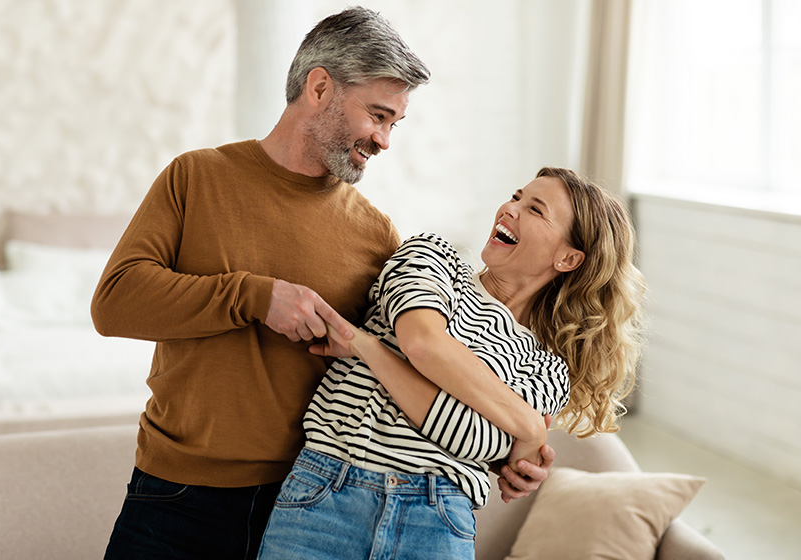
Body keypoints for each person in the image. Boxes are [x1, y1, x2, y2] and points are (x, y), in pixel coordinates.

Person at [92, 7, 548, 560]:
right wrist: (256, 296)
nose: (384, 140)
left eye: (394, 124)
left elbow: (393, 384)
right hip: (175, 495)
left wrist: (506, 454)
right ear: (319, 87)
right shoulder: (197, 177)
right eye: (377, 116)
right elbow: (115, 304)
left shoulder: (377, 235)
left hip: (312, 505)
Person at [256, 167, 648, 560]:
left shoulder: (550, 369)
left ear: (567, 258)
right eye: (516, 196)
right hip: (325, 491)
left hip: (439, 520)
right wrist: (525, 423)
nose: (509, 209)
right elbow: (423, 342)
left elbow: (478, 440)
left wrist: (368, 347)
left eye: (535, 209)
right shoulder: (433, 257)